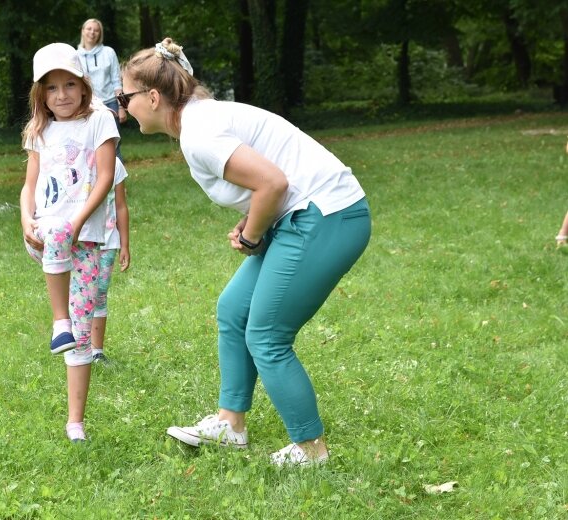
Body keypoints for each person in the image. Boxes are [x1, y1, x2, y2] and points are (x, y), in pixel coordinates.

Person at [120, 38, 372, 466]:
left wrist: (253, 236)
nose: (124, 108)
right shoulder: (199, 120)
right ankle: (230, 425)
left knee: (267, 335)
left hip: (329, 216)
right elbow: (268, 184)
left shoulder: (199, 133)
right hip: (303, 213)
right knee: (234, 309)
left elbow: (273, 183)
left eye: (125, 97)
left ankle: (312, 450)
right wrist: (251, 220)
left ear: (153, 97)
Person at [20, 42, 117, 442]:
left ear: (83, 86)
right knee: (57, 231)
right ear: (40, 92)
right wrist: (25, 218)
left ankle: (75, 422)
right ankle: (58, 318)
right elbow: (29, 187)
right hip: (47, 234)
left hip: (88, 236)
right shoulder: (39, 129)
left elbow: (107, 177)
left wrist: (79, 221)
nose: (62, 95)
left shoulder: (100, 120)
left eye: (70, 85)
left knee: (81, 333)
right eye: (52, 87)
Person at [91, 156, 131, 364]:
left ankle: (96, 351)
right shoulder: (78, 159)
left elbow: (121, 206)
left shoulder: (114, 164)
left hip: (107, 241)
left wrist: (124, 244)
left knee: (100, 293)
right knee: (79, 292)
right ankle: (77, 343)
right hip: (81, 240)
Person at [77, 18, 126, 159]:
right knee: (89, 146)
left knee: (114, 145)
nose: (92, 32)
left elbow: (116, 80)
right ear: (83, 31)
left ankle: (118, 180)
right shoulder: (75, 55)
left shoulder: (108, 52)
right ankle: (96, 179)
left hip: (110, 102)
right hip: (88, 105)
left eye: (96, 30)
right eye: (89, 29)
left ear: (100, 34)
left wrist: (121, 107)